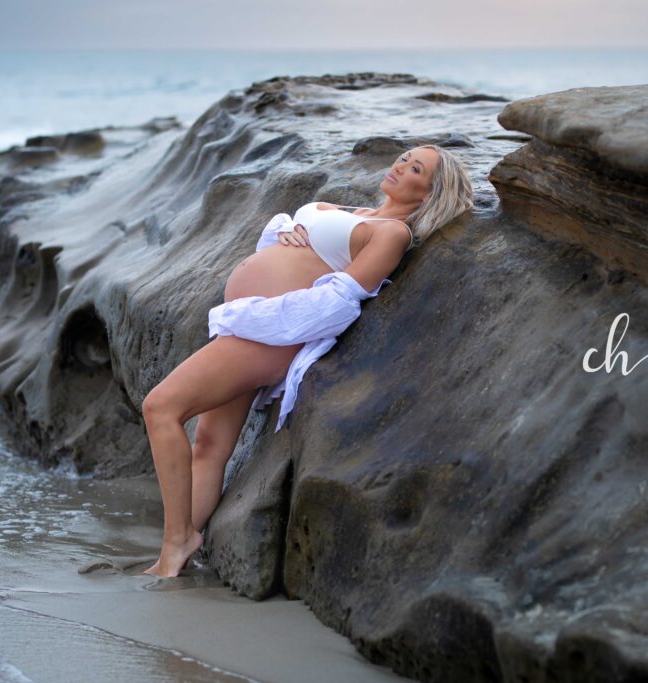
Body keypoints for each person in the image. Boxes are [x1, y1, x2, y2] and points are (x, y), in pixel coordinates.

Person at [139, 145, 474, 577]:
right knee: (209, 447)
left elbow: (340, 300)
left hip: (266, 334)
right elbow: (288, 245)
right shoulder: (351, 210)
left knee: (160, 407)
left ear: (430, 193)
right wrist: (286, 233)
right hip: (247, 327)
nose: (399, 166)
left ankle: (175, 543)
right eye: (404, 157)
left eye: (415, 168)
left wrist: (256, 318)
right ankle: (183, 544)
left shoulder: (393, 233)